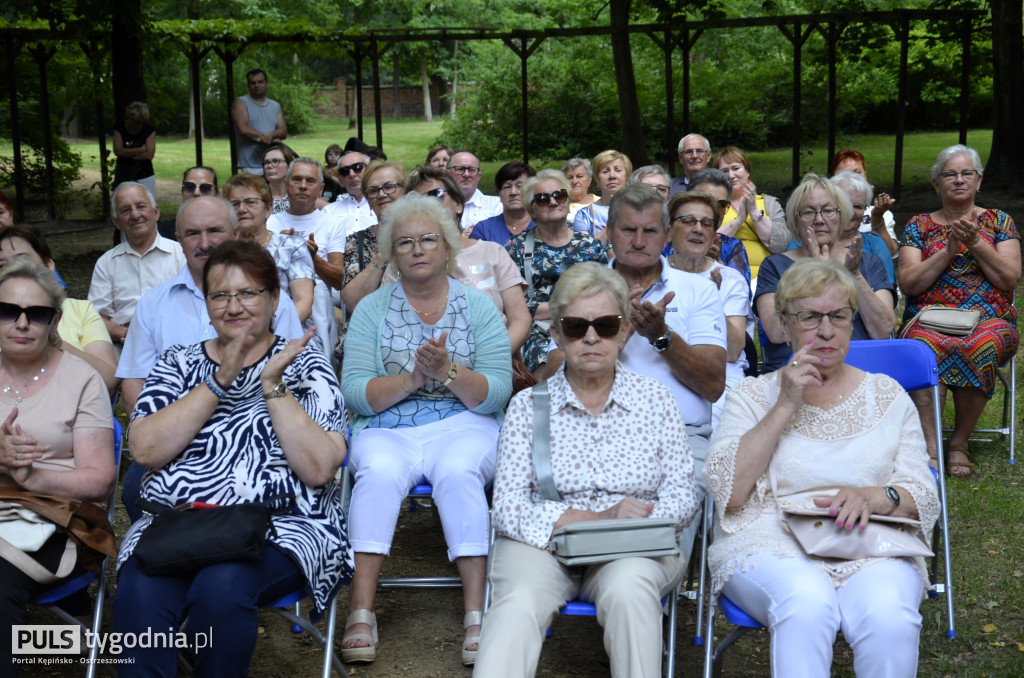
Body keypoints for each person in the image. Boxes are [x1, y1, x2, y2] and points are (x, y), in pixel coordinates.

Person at [112, 240, 350, 676]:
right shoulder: (178, 363)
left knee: (221, 587)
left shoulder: (304, 363)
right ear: (206, 304)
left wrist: (272, 385)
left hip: (283, 527)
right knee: (137, 594)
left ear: (274, 298)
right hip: (178, 524)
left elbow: (318, 468)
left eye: (248, 293)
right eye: (220, 295)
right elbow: (144, 450)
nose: (234, 305)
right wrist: (220, 378)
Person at [704, 257, 940, 677]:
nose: (827, 331)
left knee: (890, 618)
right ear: (785, 324)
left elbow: (923, 495)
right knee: (806, 604)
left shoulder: (887, 396)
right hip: (768, 538)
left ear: (852, 322)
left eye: (839, 316)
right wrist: (785, 405)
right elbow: (731, 492)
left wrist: (879, 496)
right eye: (811, 317)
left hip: (869, 540)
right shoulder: (750, 396)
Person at [474, 261, 699, 678]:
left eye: (607, 325)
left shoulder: (656, 400)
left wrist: (634, 526)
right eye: (576, 327)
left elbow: (683, 494)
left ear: (625, 330)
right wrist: (588, 520)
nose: (592, 337)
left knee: (631, 591)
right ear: (557, 332)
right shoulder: (529, 406)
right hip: (543, 543)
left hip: (634, 546)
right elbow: (506, 506)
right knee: (519, 600)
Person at [339, 193, 512, 666]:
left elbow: (497, 393)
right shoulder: (372, 310)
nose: (417, 249)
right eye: (405, 242)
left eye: (428, 240)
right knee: (375, 473)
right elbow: (355, 392)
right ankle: (360, 611)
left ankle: (476, 615)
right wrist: (413, 379)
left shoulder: (477, 308)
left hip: (465, 424)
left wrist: (448, 373)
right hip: (386, 427)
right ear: (392, 253)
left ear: (448, 248)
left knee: (458, 473)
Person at [116, 197, 305, 523]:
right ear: (179, 240)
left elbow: (294, 373)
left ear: (234, 233)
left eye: (214, 231)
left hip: (259, 442)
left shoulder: (272, 302)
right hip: (174, 446)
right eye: (192, 234)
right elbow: (135, 382)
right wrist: (166, 434)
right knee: (135, 489)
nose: (204, 244)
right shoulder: (153, 304)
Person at [0, 258, 116, 674]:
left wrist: (32, 475)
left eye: (37, 314)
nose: (22, 323)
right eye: (8, 311)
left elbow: (100, 479)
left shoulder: (81, 380)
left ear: (55, 322)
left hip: (53, 516)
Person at [899, 144, 1021, 476]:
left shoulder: (999, 222)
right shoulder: (919, 226)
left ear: (979, 181)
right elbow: (909, 284)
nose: (958, 180)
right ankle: (929, 445)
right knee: (923, 348)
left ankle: (958, 443)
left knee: (980, 344)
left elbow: (1010, 278)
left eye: (966, 173)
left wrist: (976, 243)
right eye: (949, 174)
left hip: (990, 320)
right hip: (928, 318)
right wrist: (948, 250)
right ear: (936, 184)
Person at [756, 174, 895, 374]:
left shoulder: (868, 263)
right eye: (808, 212)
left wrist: (854, 275)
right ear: (795, 221)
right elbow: (777, 333)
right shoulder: (774, 266)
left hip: (861, 371)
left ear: (842, 215)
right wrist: (813, 273)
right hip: (797, 372)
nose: (819, 220)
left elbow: (883, 331)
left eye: (828, 211)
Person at [399, 167, 531, 354]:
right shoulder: (405, 259)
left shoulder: (492, 252)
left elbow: (520, 319)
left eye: (436, 194)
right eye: (419, 201)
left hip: (492, 358)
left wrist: (494, 360)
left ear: (458, 204)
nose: (429, 205)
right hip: (422, 362)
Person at [505, 169, 609, 373]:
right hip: (538, 329)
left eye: (559, 195)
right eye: (543, 199)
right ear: (532, 210)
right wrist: (564, 308)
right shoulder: (515, 248)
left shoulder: (590, 246)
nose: (553, 202)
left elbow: (607, 293)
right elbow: (514, 305)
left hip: (588, 323)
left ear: (568, 201)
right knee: (550, 364)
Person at [0, 225, 118, 397]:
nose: (13, 271)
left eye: (22, 260)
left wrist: (54, 341)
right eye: (2, 265)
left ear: (48, 266)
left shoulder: (80, 310)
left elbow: (110, 382)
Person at [667, 191, 750, 429]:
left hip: (721, 376)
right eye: (688, 221)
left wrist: (711, 299)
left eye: (706, 223)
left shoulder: (730, 279)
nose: (698, 229)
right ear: (669, 230)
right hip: (666, 368)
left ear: (714, 234)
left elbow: (734, 350)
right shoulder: (656, 274)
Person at [89, 182, 185, 347]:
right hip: (122, 345)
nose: (134, 215)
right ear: (116, 222)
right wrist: (125, 334)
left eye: (141, 206)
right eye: (125, 210)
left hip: (175, 341)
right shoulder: (107, 263)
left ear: (156, 213)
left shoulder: (181, 254)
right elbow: (96, 318)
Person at [223, 173, 315, 326]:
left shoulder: (291, 247)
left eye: (250, 202)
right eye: (234, 204)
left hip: (286, 331)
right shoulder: (222, 251)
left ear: (268, 209)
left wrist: (269, 336)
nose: (241, 209)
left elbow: (303, 303)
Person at [338, 160, 407, 315]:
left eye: (389, 187)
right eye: (373, 191)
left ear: (405, 191)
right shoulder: (357, 241)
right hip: (369, 326)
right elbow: (352, 303)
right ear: (368, 201)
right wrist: (385, 252)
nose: (382, 194)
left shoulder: (423, 233)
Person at [713, 146, 790, 283]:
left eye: (736, 168)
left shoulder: (769, 203)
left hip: (767, 278)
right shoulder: (712, 205)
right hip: (726, 278)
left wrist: (754, 211)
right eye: (725, 171)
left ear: (747, 171)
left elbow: (781, 245)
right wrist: (738, 221)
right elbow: (709, 245)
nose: (731, 175)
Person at [830, 170, 896, 286]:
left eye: (857, 207)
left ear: (865, 209)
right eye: (843, 204)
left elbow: (885, 298)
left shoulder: (875, 245)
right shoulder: (806, 242)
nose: (850, 212)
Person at [690, 168, 752, 285]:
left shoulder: (733, 247)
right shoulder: (672, 242)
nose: (714, 210)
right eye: (707, 201)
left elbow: (743, 294)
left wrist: (718, 262)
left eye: (722, 204)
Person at [831, 148, 898, 255]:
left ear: (865, 174)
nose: (851, 178)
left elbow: (890, 252)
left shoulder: (882, 214)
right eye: (843, 174)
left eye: (857, 173)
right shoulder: (824, 214)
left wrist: (877, 218)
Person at [232, 68, 287, 174]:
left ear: (267, 84)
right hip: (251, 165)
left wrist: (271, 134)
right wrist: (267, 138)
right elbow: (243, 128)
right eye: (253, 83)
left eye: (260, 82)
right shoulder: (241, 102)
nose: (257, 85)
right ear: (248, 85)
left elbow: (283, 131)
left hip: (274, 163)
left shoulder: (275, 105)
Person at [468, 161, 537, 245]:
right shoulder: (483, 229)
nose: (513, 192)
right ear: (499, 193)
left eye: (520, 186)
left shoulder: (544, 226)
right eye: (507, 187)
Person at [572, 150, 632, 239]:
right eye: (605, 171)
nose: (612, 176)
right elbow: (585, 250)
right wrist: (613, 220)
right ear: (597, 179)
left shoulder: (640, 209)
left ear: (627, 178)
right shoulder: (584, 215)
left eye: (618, 170)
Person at [322, 151, 376, 240]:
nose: (351, 174)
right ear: (340, 181)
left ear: (370, 172)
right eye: (344, 171)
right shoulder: (329, 212)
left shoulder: (383, 206)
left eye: (357, 167)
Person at [157, 166, 220, 241]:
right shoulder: (167, 230)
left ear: (216, 194)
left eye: (205, 188)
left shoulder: (226, 228)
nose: (196, 193)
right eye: (189, 187)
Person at [448, 151, 503, 231]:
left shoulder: (496, 205)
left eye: (471, 170)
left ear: (479, 176)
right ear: (447, 174)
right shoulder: (437, 205)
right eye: (460, 169)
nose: (466, 174)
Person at [112, 101, 157, 197]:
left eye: (141, 122)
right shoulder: (119, 128)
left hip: (145, 173)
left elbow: (149, 155)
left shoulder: (149, 130)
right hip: (123, 172)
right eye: (136, 122)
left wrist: (126, 153)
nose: (138, 125)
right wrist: (141, 149)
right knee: (122, 200)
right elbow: (118, 151)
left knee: (149, 200)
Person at [262, 143, 297, 214]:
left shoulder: (299, 195)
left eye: (275, 161)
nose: (269, 166)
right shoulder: (259, 197)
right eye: (266, 162)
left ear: (289, 165)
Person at [562, 156, 597, 226]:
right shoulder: (559, 206)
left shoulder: (602, 202)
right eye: (570, 177)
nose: (574, 181)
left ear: (589, 180)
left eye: (579, 176)